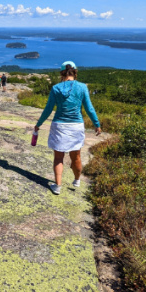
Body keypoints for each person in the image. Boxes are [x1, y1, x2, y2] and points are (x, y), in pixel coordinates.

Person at [34, 61, 101, 195]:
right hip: (76, 125)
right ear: (75, 72)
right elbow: (89, 108)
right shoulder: (82, 87)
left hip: (59, 125)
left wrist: (39, 124)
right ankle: (77, 180)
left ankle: (57, 186)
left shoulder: (56, 88)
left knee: (58, 157)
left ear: (61, 73)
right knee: (76, 156)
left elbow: (48, 109)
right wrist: (96, 124)